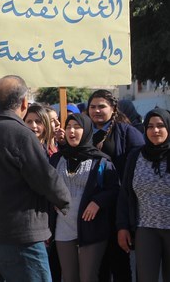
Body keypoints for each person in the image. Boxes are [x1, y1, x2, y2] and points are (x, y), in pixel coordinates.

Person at [0, 75, 70, 281]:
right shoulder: (21, 134)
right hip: (21, 236)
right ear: (24, 103)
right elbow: (45, 178)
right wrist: (64, 201)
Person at [117, 108, 170, 282]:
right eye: (150, 126)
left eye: (160, 126)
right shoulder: (136, 156)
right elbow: (125, 194)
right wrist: (122, 226)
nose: (155, 130)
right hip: (145, 230)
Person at [49, 114, 120, 282]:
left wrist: (98, 202)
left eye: (77, 127)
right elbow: (46, 186)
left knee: (88, 277)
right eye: (68, 127)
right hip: (63, 228)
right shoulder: (57, 159)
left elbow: (115, 189)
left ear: (87, 130)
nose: (72, 131)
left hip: (91, 228)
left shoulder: (100, 161)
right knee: (69, 276)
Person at [87, 89, 144, 282]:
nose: (96, 111)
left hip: (118, 208)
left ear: (113, 109)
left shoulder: (128, 133)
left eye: (102, 106)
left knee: (119, 262)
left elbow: (138, 168)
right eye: (92, 107)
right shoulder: (83, 131)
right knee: (97, 264)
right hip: (91, 208)